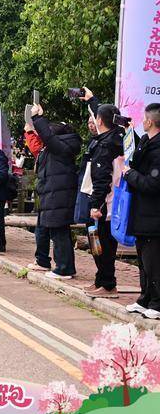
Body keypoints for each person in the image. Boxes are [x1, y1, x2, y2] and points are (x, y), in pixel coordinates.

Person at [26, 104, 82, 279]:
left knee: (59, 232)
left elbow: (48, 137)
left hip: (58, 196)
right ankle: (60, 265)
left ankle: (64, 268)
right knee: (56, 231)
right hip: (52, 195)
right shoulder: (55, 147)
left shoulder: (62, 147)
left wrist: (37, 118)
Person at [79, 94, 125, 299]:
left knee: (103, 244)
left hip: (104, 203)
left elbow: (102, 178)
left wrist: (95, 205)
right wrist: (92, 100)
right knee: (96, 241)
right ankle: (101, 279)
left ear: (99, 120)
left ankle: (108, 283)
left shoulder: (107, 145)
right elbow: (107, 117)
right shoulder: (116, 136)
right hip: (105, 201)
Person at [123, 103, 160, 319]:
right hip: (142, 213)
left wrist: (130, 175)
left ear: (150, 121)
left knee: (154, 262)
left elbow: (153, 184)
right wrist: (130, 134)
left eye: (144, 118)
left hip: (153, 215)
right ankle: (145, 298)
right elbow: (138, 158)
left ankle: (157, 303)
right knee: (144, 261)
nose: (142, 121)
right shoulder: (147, 142)